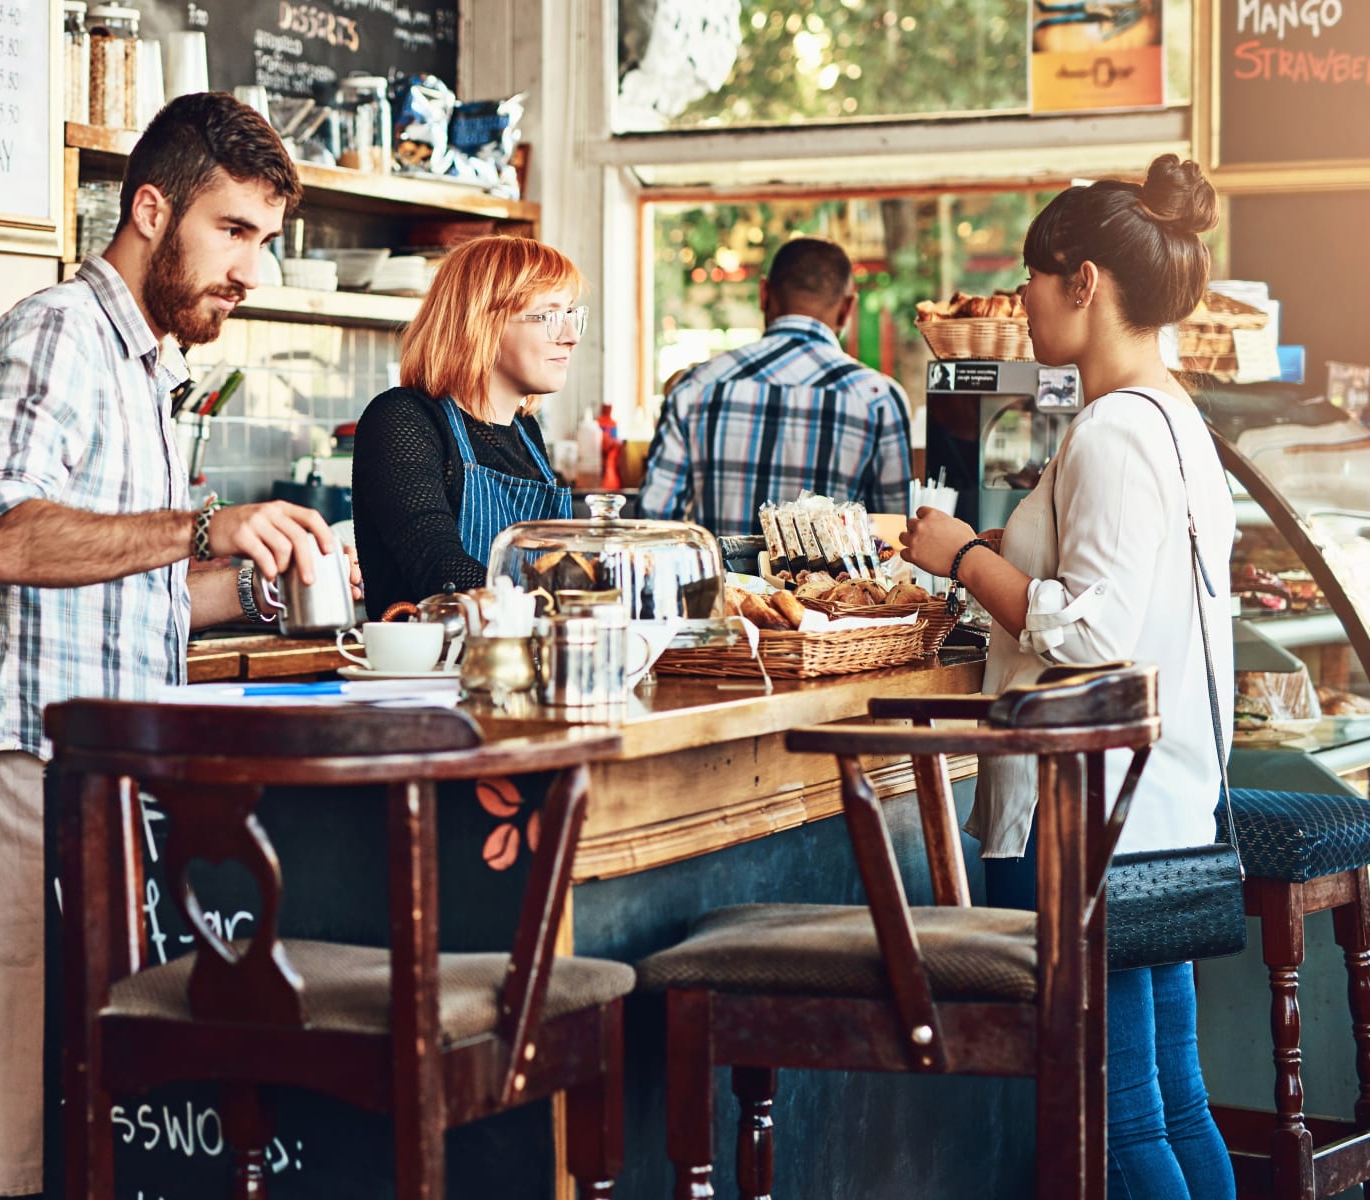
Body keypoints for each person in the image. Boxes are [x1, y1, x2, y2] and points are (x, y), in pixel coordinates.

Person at [0, 93, 352, 1200]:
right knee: (30, 1110)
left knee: (97, 1095)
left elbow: (137, 597)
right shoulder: (59, 328)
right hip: (35, 759)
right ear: (152, 209)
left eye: (268, 240)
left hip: (102, 771)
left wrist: (259, 582)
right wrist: (205, 525)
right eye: (235, 232)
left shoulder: (145, 368)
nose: (254, 270)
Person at [899, 154, 1236, 1200]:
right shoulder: (1174, 418)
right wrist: (1014, 546)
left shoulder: (1115, 429)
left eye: (1030, 278)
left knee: (1117, 1117)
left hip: (1091, 817)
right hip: (1164, 802)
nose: (1020, 302)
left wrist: (963, 557)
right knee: (1171, 1100)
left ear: (1082, 282)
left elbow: (1090, 637)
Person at [352, 236, 583, 618]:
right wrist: (567, 608)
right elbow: (440, 569)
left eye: (572, 315)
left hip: (524, 659)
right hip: (428, 670)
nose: (570, 337)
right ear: (482, 322)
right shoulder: (403, 419)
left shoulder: (527, 433)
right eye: (549, 316)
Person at [638, 236, 913, 535]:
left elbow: (653, 526)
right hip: (835, 583)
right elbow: (893, 537)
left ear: (764, 293)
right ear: (847, 308)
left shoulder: (695, 388)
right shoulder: (877, 399)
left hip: (721, 583)